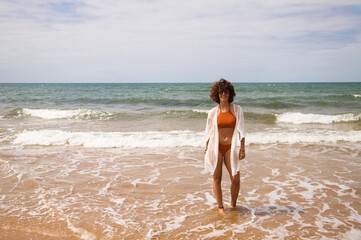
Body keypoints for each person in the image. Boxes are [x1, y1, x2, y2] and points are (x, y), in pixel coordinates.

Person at [204, 78, 246, 215]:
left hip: (231, 148)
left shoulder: (237, 110)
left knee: (236, 179)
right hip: (215, 147)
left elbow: (242, 131)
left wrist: (242, 148)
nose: (224, 94)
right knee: (217, 178)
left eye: (226, 91)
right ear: (217, 94)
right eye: (221, 91)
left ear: (230, 93)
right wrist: (206, 151)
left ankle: (233, 203)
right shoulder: (212, 113)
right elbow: (208, 132)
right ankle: (220, 207)